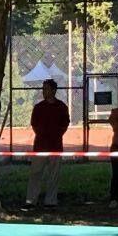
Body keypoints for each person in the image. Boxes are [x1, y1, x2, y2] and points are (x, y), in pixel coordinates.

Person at [23, 79, 70, 210]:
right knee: (35, 173)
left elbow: (65, 124)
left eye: (46, 89)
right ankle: (30, 201)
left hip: (56, 147)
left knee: (54, 175)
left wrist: (57, 135)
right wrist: (42, 135)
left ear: (53, 90)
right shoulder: (38, 107)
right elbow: (34, 124)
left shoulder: (61, 107)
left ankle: (51, 201)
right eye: (43, 89)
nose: (43, 91)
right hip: (40, 147)